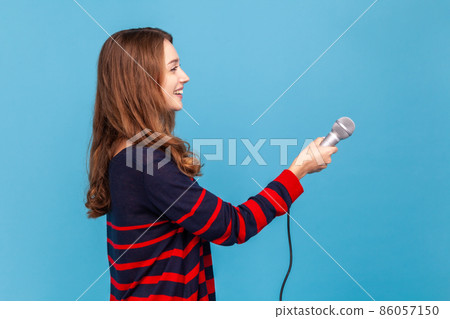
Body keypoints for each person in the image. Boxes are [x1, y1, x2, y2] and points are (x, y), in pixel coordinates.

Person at [85, 27, 338, 301]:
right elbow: (233, 225)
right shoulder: (145, 163)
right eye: (173, 69)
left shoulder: (126, 153)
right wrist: (297, 171)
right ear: (141, 79)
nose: (185, 77)